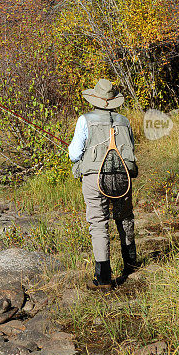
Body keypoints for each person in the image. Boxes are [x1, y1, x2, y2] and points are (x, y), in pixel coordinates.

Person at [69, 79, 139, 291]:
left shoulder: (85, 120)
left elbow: (74, 155)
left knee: (99, 223)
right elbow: (131, 148)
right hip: (122, 176)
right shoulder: (124, 121)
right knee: (124, 218)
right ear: (113, 101)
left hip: (94, 178)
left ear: (95, 99)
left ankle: (104, 278)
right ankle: (131, 264)